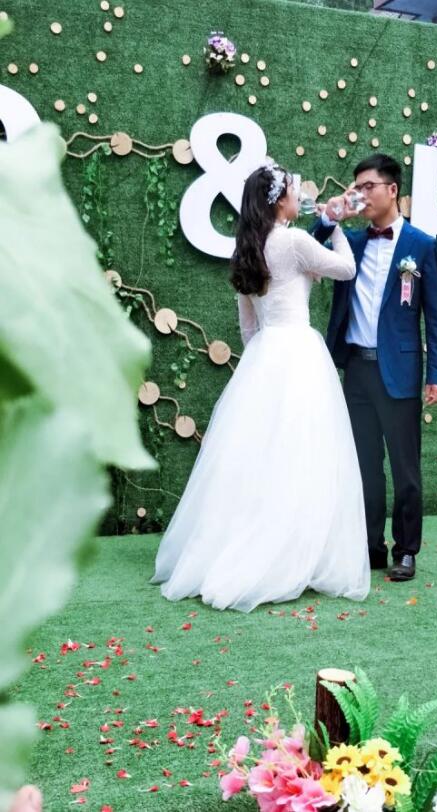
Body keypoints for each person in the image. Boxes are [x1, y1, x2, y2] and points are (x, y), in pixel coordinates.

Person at [151, 164, 370, 612]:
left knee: (258, 457)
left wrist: (260, 364)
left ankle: (242, 547)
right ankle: (294, 554)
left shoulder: (247, 249)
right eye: (291, 190)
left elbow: (248, 328)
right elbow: (346, 270)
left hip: (264, 356)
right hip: (299, 353)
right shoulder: (292, 241)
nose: (296, 195)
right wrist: (336, 226)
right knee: (304, 453)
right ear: (278, 201)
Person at [312, 154, 437, 582]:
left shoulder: (421, 245)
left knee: (405, 468)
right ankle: (370, 546)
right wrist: (332, 215)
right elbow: (313, 245)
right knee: (364, 466)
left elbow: (436, 317)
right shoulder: (350, 242)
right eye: (356, 187)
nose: (361, 194)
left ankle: (406, 551)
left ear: (392, 190)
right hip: (355, 370)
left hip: (400, 372)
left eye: (368, 186)